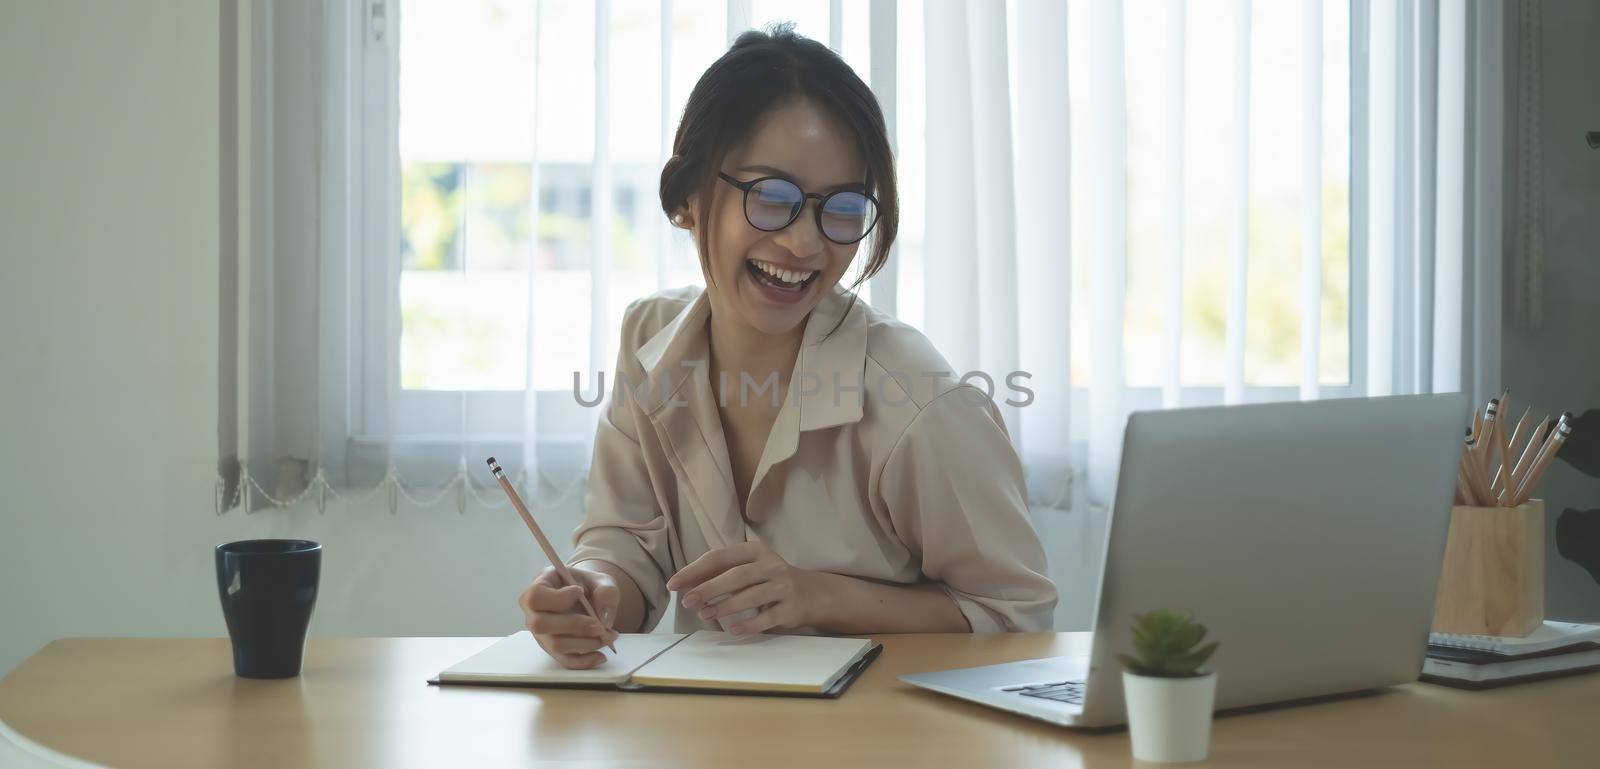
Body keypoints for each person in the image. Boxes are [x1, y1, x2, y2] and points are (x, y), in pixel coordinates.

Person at [519, 24, 1056, 669]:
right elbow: (629, 544)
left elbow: (1016, 616)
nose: (806, 244)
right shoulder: (648, 342)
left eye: (844, 207)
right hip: (708, 729)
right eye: (772, 197)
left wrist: (815, 596)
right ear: (690, 195)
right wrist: (596, 588)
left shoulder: (917, 397)